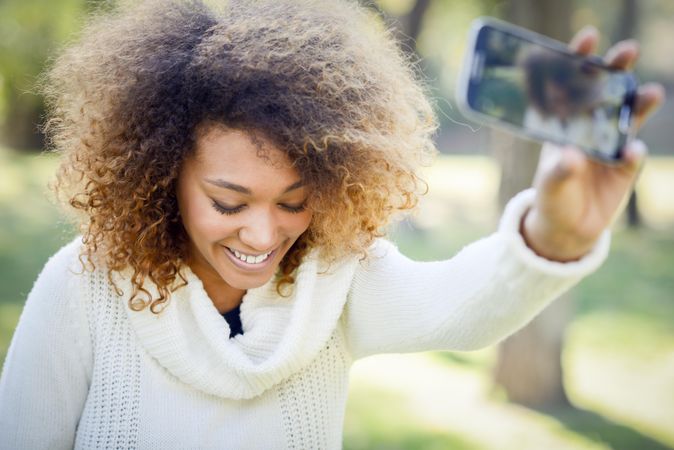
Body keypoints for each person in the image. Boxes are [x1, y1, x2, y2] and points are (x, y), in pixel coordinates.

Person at [0, 0, 664, 448]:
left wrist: (554, 238)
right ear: (161, 173)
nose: (263, 236)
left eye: (294, 200)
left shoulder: (335, 276)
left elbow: (461, 305)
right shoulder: (82, 288)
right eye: (229, 202)